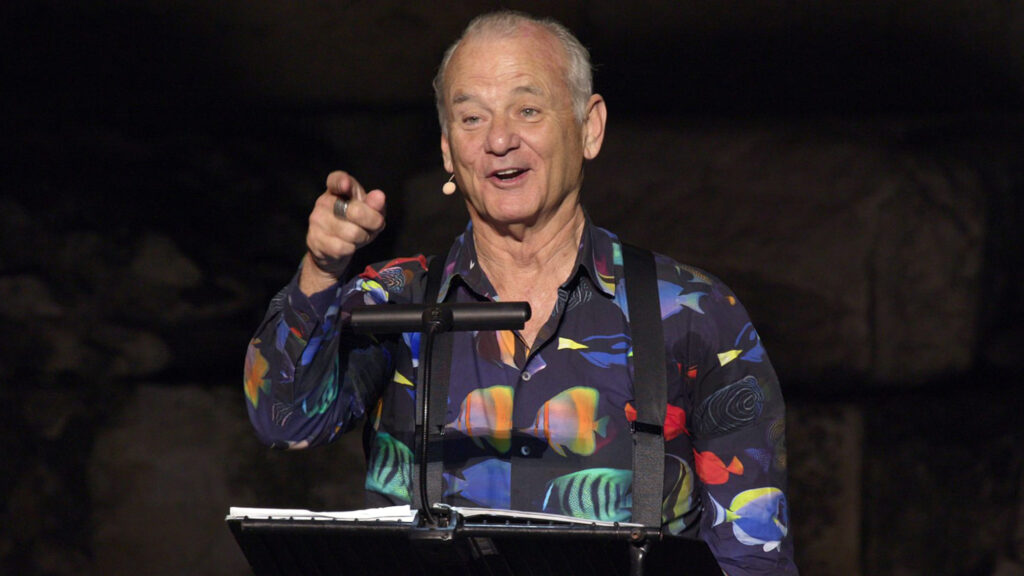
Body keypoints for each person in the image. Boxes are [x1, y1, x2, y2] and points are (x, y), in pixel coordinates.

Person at [243, 10, 798, 575]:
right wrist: (321, 270)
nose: (499, 140)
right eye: (472, 118)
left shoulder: (693, 312)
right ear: (447, 150)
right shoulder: (396, 300)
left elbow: (754, 557)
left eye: (527, 110)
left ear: (589, 127)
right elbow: (284, 421)